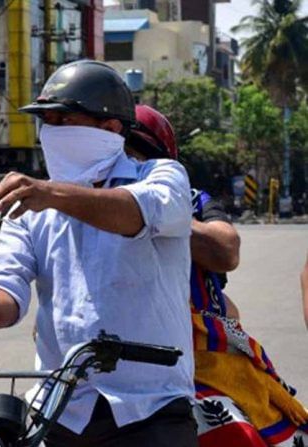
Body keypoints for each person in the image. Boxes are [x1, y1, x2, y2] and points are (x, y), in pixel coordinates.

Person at [0, 60, 198, 447]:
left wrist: (50, 194)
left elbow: (134, 214)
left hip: (150, 407)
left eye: (64, 121)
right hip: (60, 408)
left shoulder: (160, 176)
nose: (51, 133)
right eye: (47, 122)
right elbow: (7, 296)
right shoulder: (30, 212)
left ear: (110, 129)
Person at [127, 104, 308, 447]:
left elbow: (226, 251)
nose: (127, 166)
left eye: (134, 154)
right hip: (108, 362)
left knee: (246, 436)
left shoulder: (193, 202)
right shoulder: (77, 206)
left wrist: (154, 214)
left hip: (195, 361)